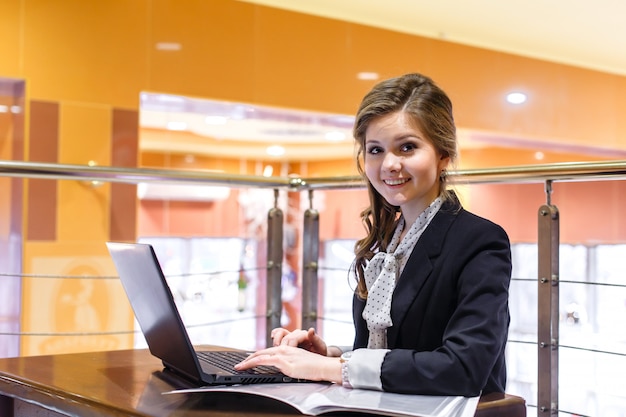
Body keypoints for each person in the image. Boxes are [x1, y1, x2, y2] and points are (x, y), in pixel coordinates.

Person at [235, 73, 512, 397]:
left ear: (443, 154)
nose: (389, 164)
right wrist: (329, 355)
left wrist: (330, 370)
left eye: (407, 147)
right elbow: (395, 349)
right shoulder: (386, 243)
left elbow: (464, 368)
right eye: (376, 150)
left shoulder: (480, 241)